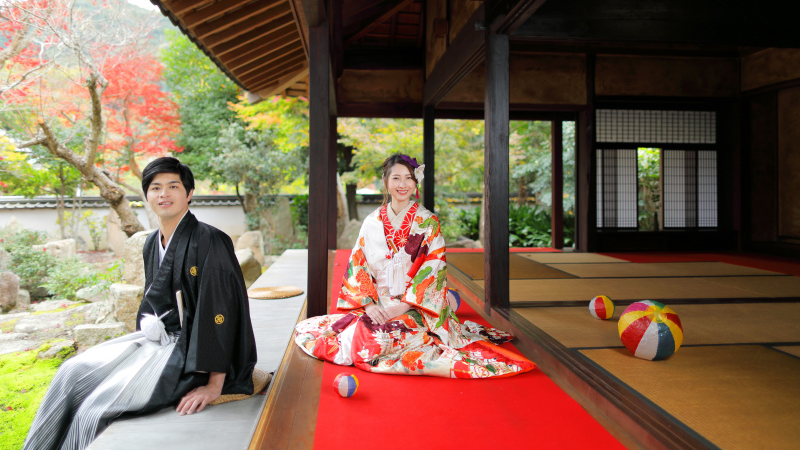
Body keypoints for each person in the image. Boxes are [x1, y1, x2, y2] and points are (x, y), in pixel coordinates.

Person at [24, 157, 258, 450]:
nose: (164, 194)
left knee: (94, 409)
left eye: (173, 186)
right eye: (156, 188)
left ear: (189, 193)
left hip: (195, 352)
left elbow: (220, 311)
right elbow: (153, 302)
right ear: (146, 195)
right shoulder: (151, 243)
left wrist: (214, 384)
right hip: (159, 340)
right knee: (71, 372)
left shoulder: (210, 240)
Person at [295, 153, 534, 378]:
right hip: (378, 301)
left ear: (416, 182)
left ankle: (446, 304)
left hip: (417, 305)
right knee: (354, 332)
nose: (403, 184)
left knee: (382, 336)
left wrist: (402, 306)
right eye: (396, 177)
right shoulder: (371, 222)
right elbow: (357, 265)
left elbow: (433, 271)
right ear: (385, 182)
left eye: (408, 178)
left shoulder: (428, 222)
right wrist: (368, 306)